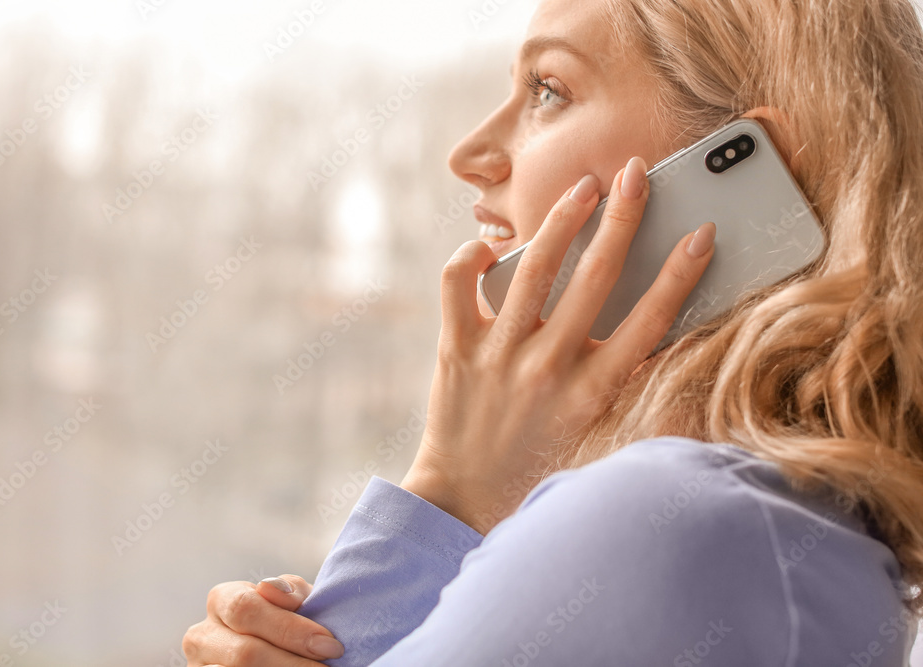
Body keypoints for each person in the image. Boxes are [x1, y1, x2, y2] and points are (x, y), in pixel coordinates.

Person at [183, 0, 923, 663]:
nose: (468, 154)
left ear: (753, 174)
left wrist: (450, 489)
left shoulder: (670, 522)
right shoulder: (798, 538)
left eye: (547, 90)